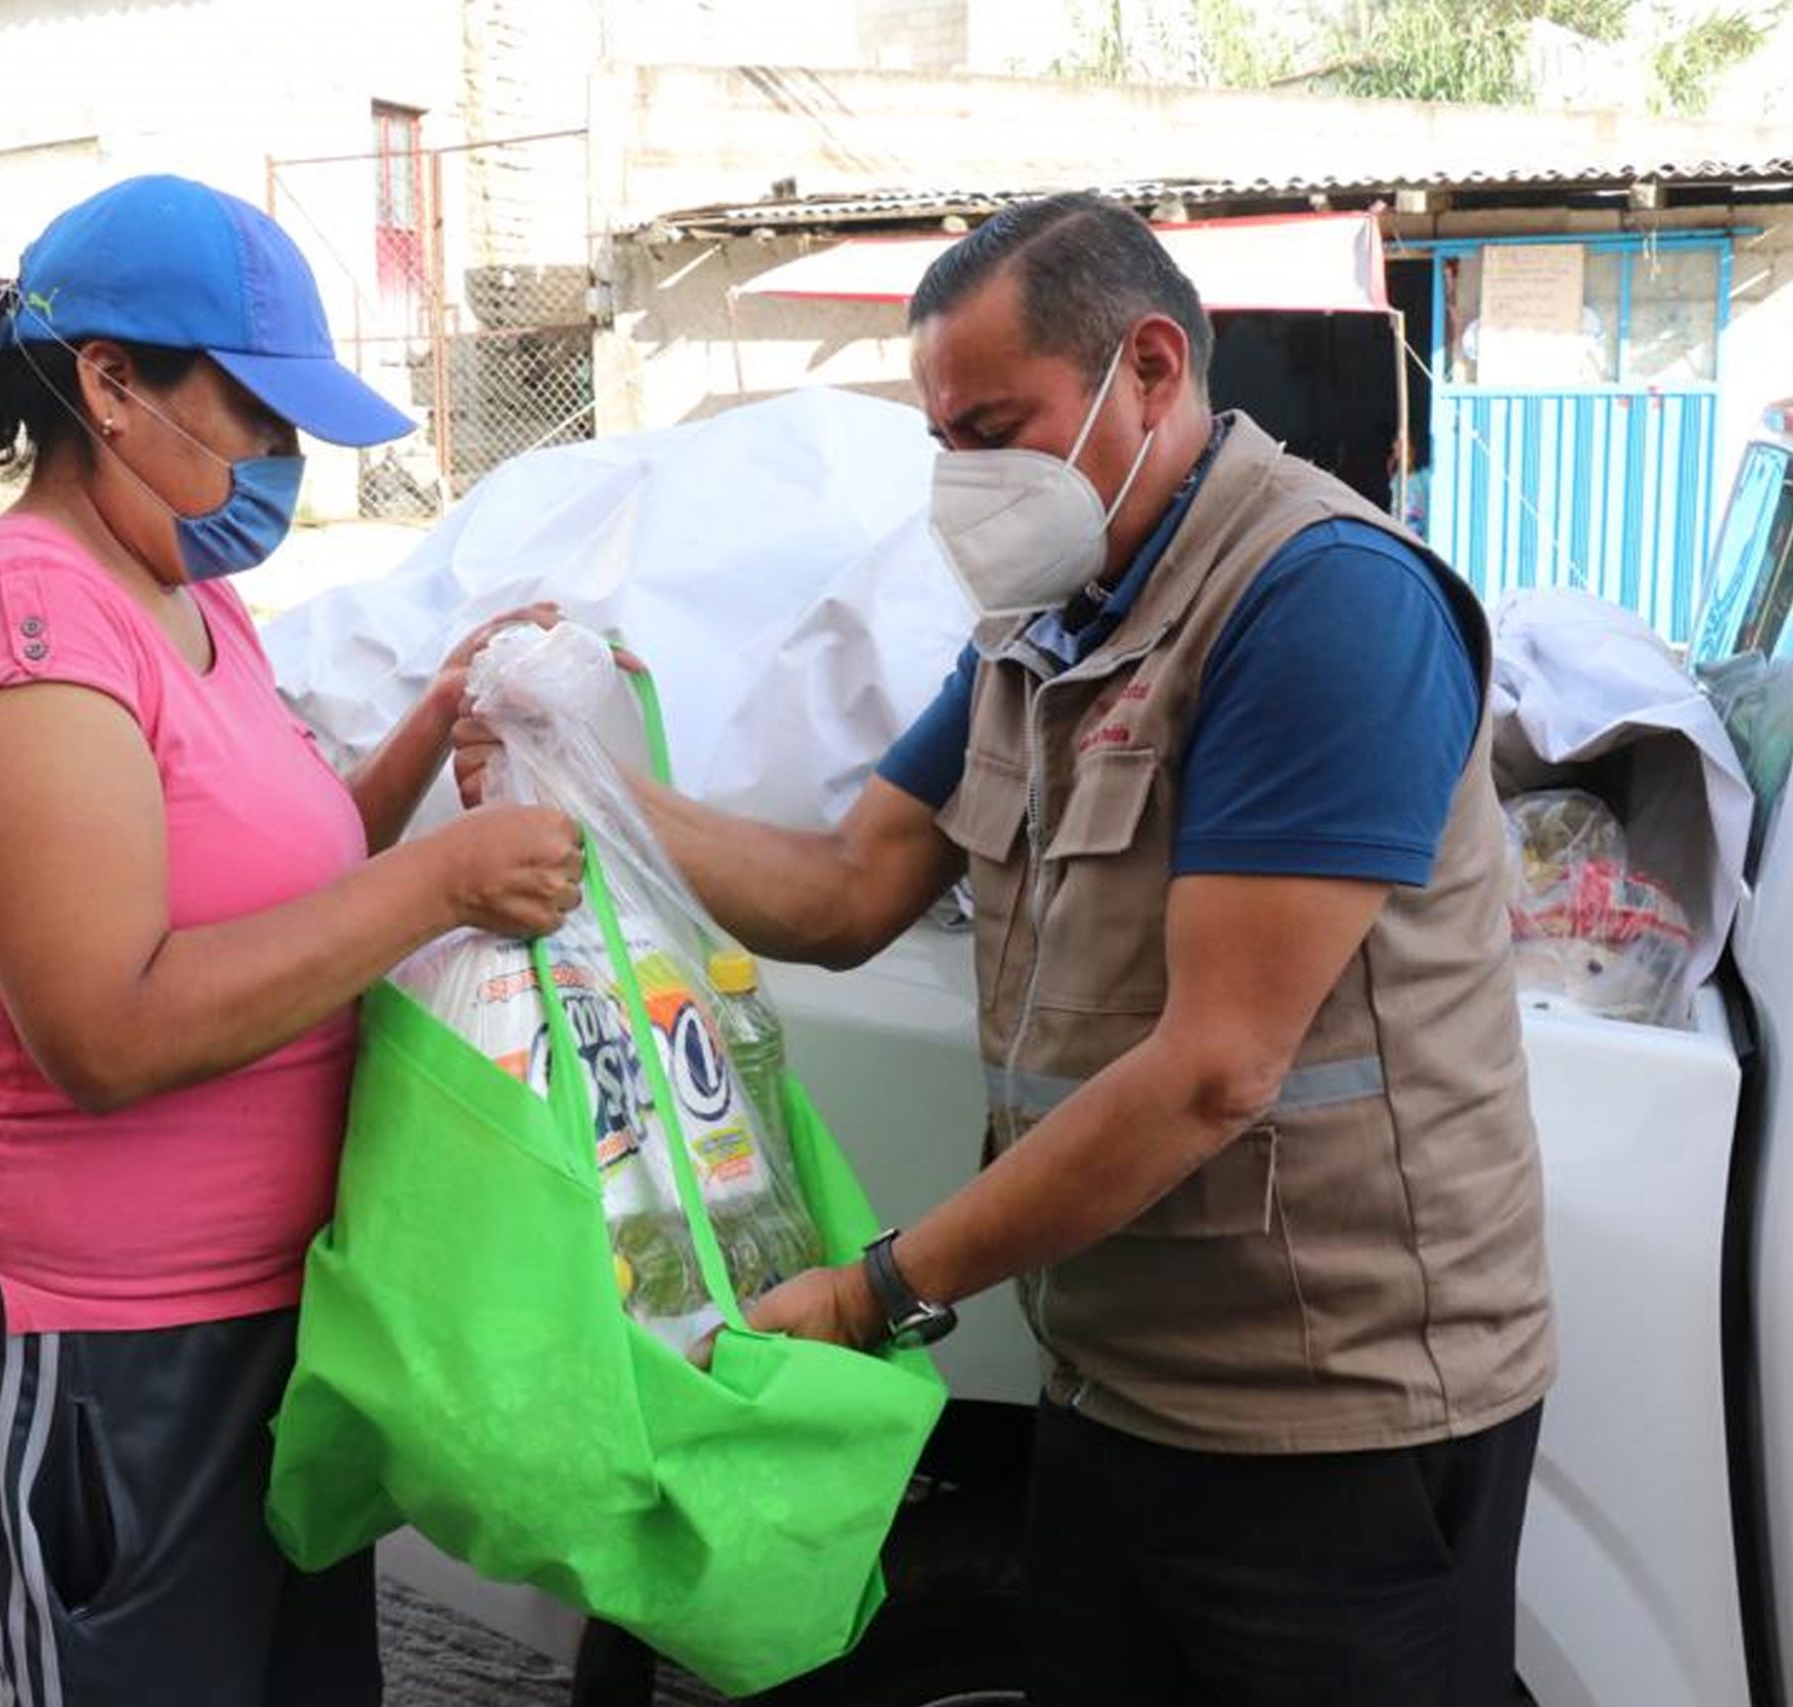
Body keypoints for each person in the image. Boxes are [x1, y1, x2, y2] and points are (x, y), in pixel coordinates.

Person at [470, 192, 1555, 1704]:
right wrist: (592, 792)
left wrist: (876, 1292)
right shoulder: (1039, 632)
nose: (964, 482)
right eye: (944, 441)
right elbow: (848, 888)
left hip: (1332, 1419)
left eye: (996, 426)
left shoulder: (1321, 605)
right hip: (1117, 1383)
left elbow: (1214, 1069)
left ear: (1154, 367)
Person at [0, 175, 583, 1707]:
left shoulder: (194, 602)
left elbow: (285, 886)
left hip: (280, 1327)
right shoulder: (20, 624)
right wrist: (443, 882)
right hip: (110, 1362)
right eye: (256, 416)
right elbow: (107, 1028)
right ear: (110, 383)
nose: (283, 465)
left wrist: (430, 731)